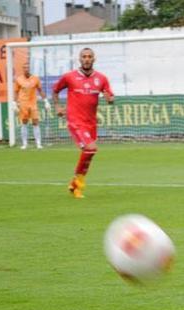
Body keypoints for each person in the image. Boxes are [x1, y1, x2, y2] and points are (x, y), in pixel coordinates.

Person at [52, 48, 114, 199]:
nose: (86, 59)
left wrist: (110, 99)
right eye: (84, 57)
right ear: (79, 59)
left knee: (90, 152)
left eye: (89, 57)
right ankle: (78, 185)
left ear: (94, 59)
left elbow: (110, 97)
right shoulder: (69, 77)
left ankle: (74, 185)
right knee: (90, 148)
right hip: (75, 121)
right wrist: (58, 106)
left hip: (91, 123)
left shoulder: (101, 78)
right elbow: (55, 91)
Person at [13, 62, 49, 149]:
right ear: (23, 69)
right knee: (24, 123)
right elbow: (16, 91)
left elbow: (40, 90)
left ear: (29, 68)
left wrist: (46, 101)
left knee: (35, 122)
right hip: (23, 103)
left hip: (33, 103)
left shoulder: (35, 79)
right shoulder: (19, 79)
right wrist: (14, 102)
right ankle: (24, 144)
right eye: (24, 68)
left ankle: (38, 143)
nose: (26, 69)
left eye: (27, 67)